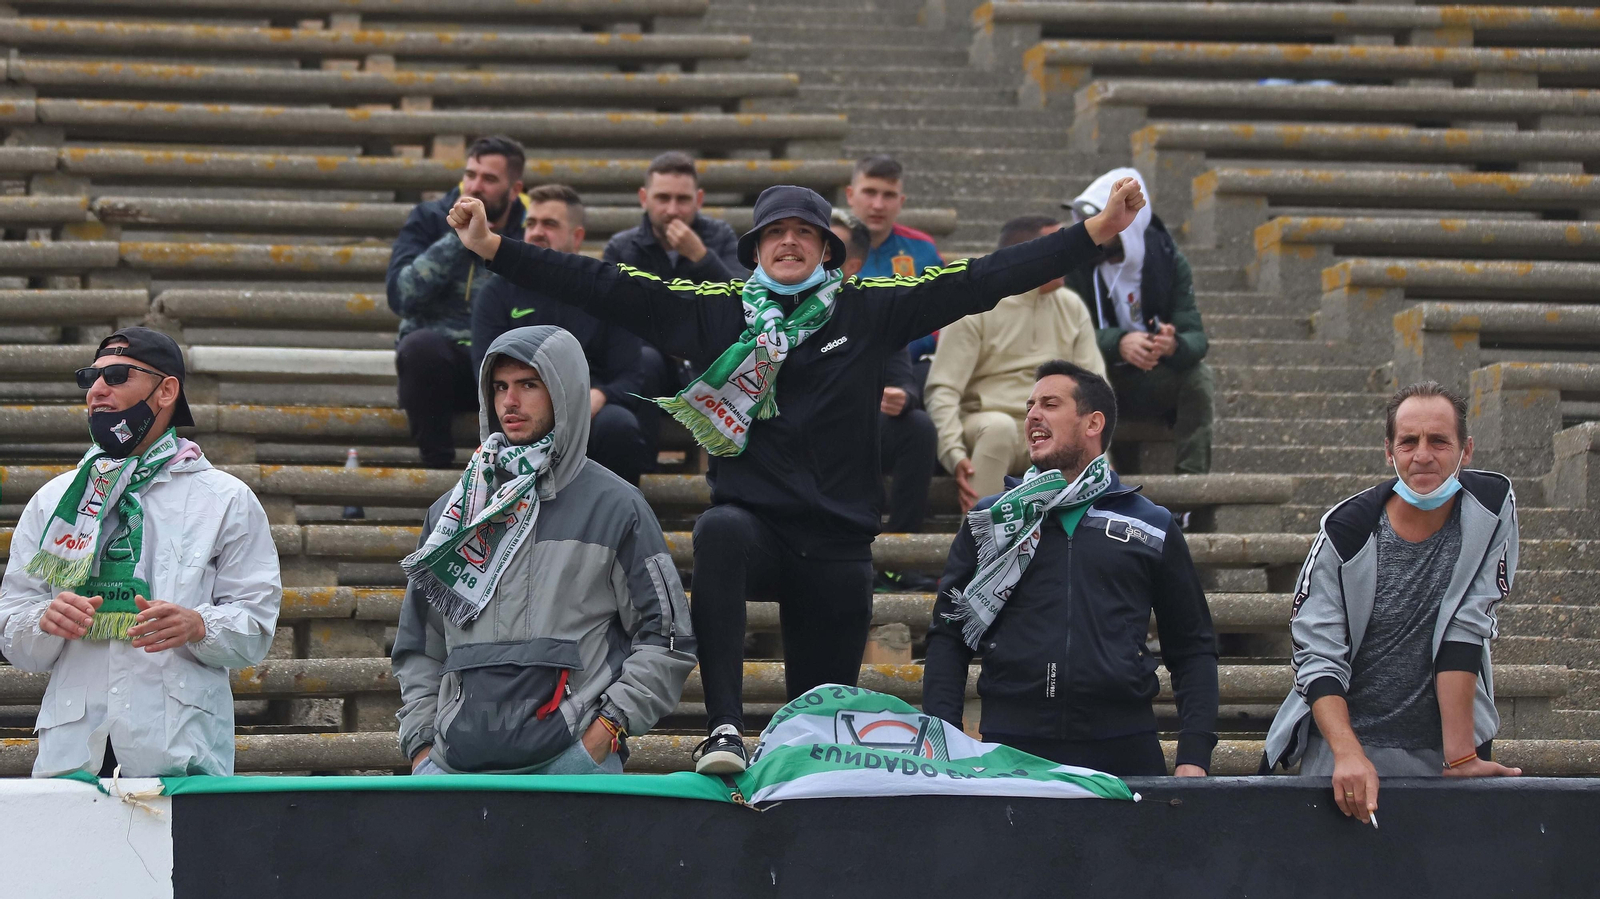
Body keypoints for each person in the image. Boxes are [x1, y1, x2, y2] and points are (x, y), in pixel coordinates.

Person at [446, 177, 1148, 775]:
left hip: (838, 545)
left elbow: (982, 278)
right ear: (753, 249)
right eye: (774, 232)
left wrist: (1093, 234)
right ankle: (723, 726)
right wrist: (493, 247)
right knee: (718, 529)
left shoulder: (870, 308)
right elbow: (603, 282)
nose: (788, 242)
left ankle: (793, 765)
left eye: (803, 233)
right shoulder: (713, 311)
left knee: (813, 733)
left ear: (825, 249)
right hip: (754, 529)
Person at [392, 326, 696, 776]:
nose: (509, 402)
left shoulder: (618, 507)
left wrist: (603, 736)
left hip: (575, 769)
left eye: (528, 385)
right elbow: (419, 647)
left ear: (564, 392)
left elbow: (667, 636)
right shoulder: (451, 513)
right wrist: (422, 754)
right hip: (455, 774)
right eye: (500, 387)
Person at [0, 328, 281, 777]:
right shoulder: (54, 500)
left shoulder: (227, 499)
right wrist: (44, 621)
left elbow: (256, 626)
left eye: (115, 375)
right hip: (74, 753)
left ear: (166, 390)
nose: (96, 390)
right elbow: (14, 632)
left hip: (179, 749)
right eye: (90, 377)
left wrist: (197, 625)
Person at [922, 360, 1218, 777]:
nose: (1032, 416)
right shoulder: (992, 520)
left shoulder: (1150, 523)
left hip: (1123, 745)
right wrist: (943, 737)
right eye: (1029, 406)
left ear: (1093, 423)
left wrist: (1194, 754)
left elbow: (1192, 646)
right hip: (1012, 745)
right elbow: (948, 635)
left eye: (1049, 403)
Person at [1263, 381, 1522, 823]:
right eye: (1409, 441)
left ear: (1467, 450)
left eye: (1439, 441)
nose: (1423, 455)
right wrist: (1348, 754)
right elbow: (1318, 656)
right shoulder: (1345, 532)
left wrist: (1460, 757)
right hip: (1342, 749)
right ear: (1389, 452)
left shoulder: (1492, 508)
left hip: (1437, 749)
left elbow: (1466, 627)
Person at [473, 184, 656, 486]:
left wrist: (598, 396)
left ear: (578, 236)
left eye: (550, 224)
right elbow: (482, 373)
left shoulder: (606, 294)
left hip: (590, 413)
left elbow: (630, 378)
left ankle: (618, 520)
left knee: (619, 424)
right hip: (521, 405)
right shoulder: (496, 294)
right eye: (531, 223)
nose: (536, 232)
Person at [925, 215, 1107, 513]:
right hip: (989, 422)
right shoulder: (974, 306)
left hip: (1054, 423)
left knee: (1088, 425)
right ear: (1027, 257)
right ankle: (979, 550)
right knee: (998, 429)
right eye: (1057, 250)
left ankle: (1100, 546)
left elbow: (1097, 386)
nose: (1069, 257)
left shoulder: (1072, 306)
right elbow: (943, 390)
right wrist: (954, 454)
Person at [387, 135, 529, 469]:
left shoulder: (529, 229)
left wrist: (495, 246)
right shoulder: (429, 218)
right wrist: (459, 238)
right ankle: (437, 470)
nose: (476, 186)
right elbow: (401, 296)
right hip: (439, 369)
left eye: (490, 179)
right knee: (420, 348)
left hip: (502, 364)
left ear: (514, 188)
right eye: (471, 175)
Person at [1062, 168, 1213, 475]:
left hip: (1147, 378)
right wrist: (1119, 343)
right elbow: (1065, 332)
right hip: (1096, 373)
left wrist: (1173, 344)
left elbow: (1196, 337)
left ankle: (1192, 481)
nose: (1092, 229)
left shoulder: (1167, 259)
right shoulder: (1076, 263)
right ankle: (1089, 481)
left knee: (1198, 378)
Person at [831, 209, 937, 591]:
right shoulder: (771, 309)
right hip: (795, 428)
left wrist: (902, 398)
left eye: (832, 249)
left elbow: (904, 381)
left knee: (917, 426)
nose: (819, 255)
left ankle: (898, 561)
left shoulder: (875, 311)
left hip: (858, 426)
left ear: (853, 265)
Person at [846, 154, 946, 386]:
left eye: (888, 195)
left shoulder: (923, 248)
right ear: (850, 195)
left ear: (901, 201)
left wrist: (909, 349)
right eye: (870, 192)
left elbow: (942, 313)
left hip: (907, 367)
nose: (878, 205)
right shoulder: (827, 245)